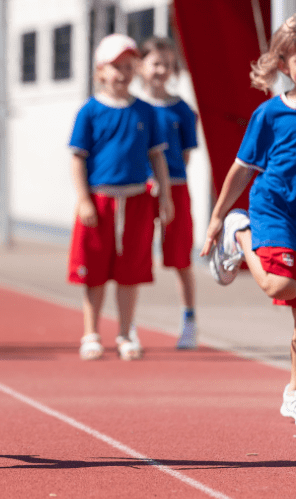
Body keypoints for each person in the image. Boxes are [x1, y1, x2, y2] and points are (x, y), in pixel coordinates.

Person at [201, 12, 296, 425]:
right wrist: (218, 217)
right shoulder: (270, 114)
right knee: (282, 284)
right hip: (273, 209)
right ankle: (241, 234)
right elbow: (242, 169)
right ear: (284, 64)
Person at [68, 33, 174, 362]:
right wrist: (84, 200)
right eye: (116, 66)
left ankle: (126, 332)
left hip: (137, 201)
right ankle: (91, 333)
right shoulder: (89, 111)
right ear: (100, 70)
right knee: (95, 272)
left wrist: (165, 197)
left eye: (129, 66)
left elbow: (157, 157)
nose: (123, 73)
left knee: (130, 273)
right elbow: (77, 159)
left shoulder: (146, 111)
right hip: (100, 202)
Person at [137, 37, 200, 350]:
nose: (161, 70)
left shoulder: (183, 110)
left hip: (175, 187)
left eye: (168, 64)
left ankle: (189, 320)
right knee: (135, 256)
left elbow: (185, 155)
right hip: (139, 189)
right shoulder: (134, 108)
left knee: (180, 257)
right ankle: (128, 325)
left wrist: (166, 184)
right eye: (155, 63)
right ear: (141, 66)